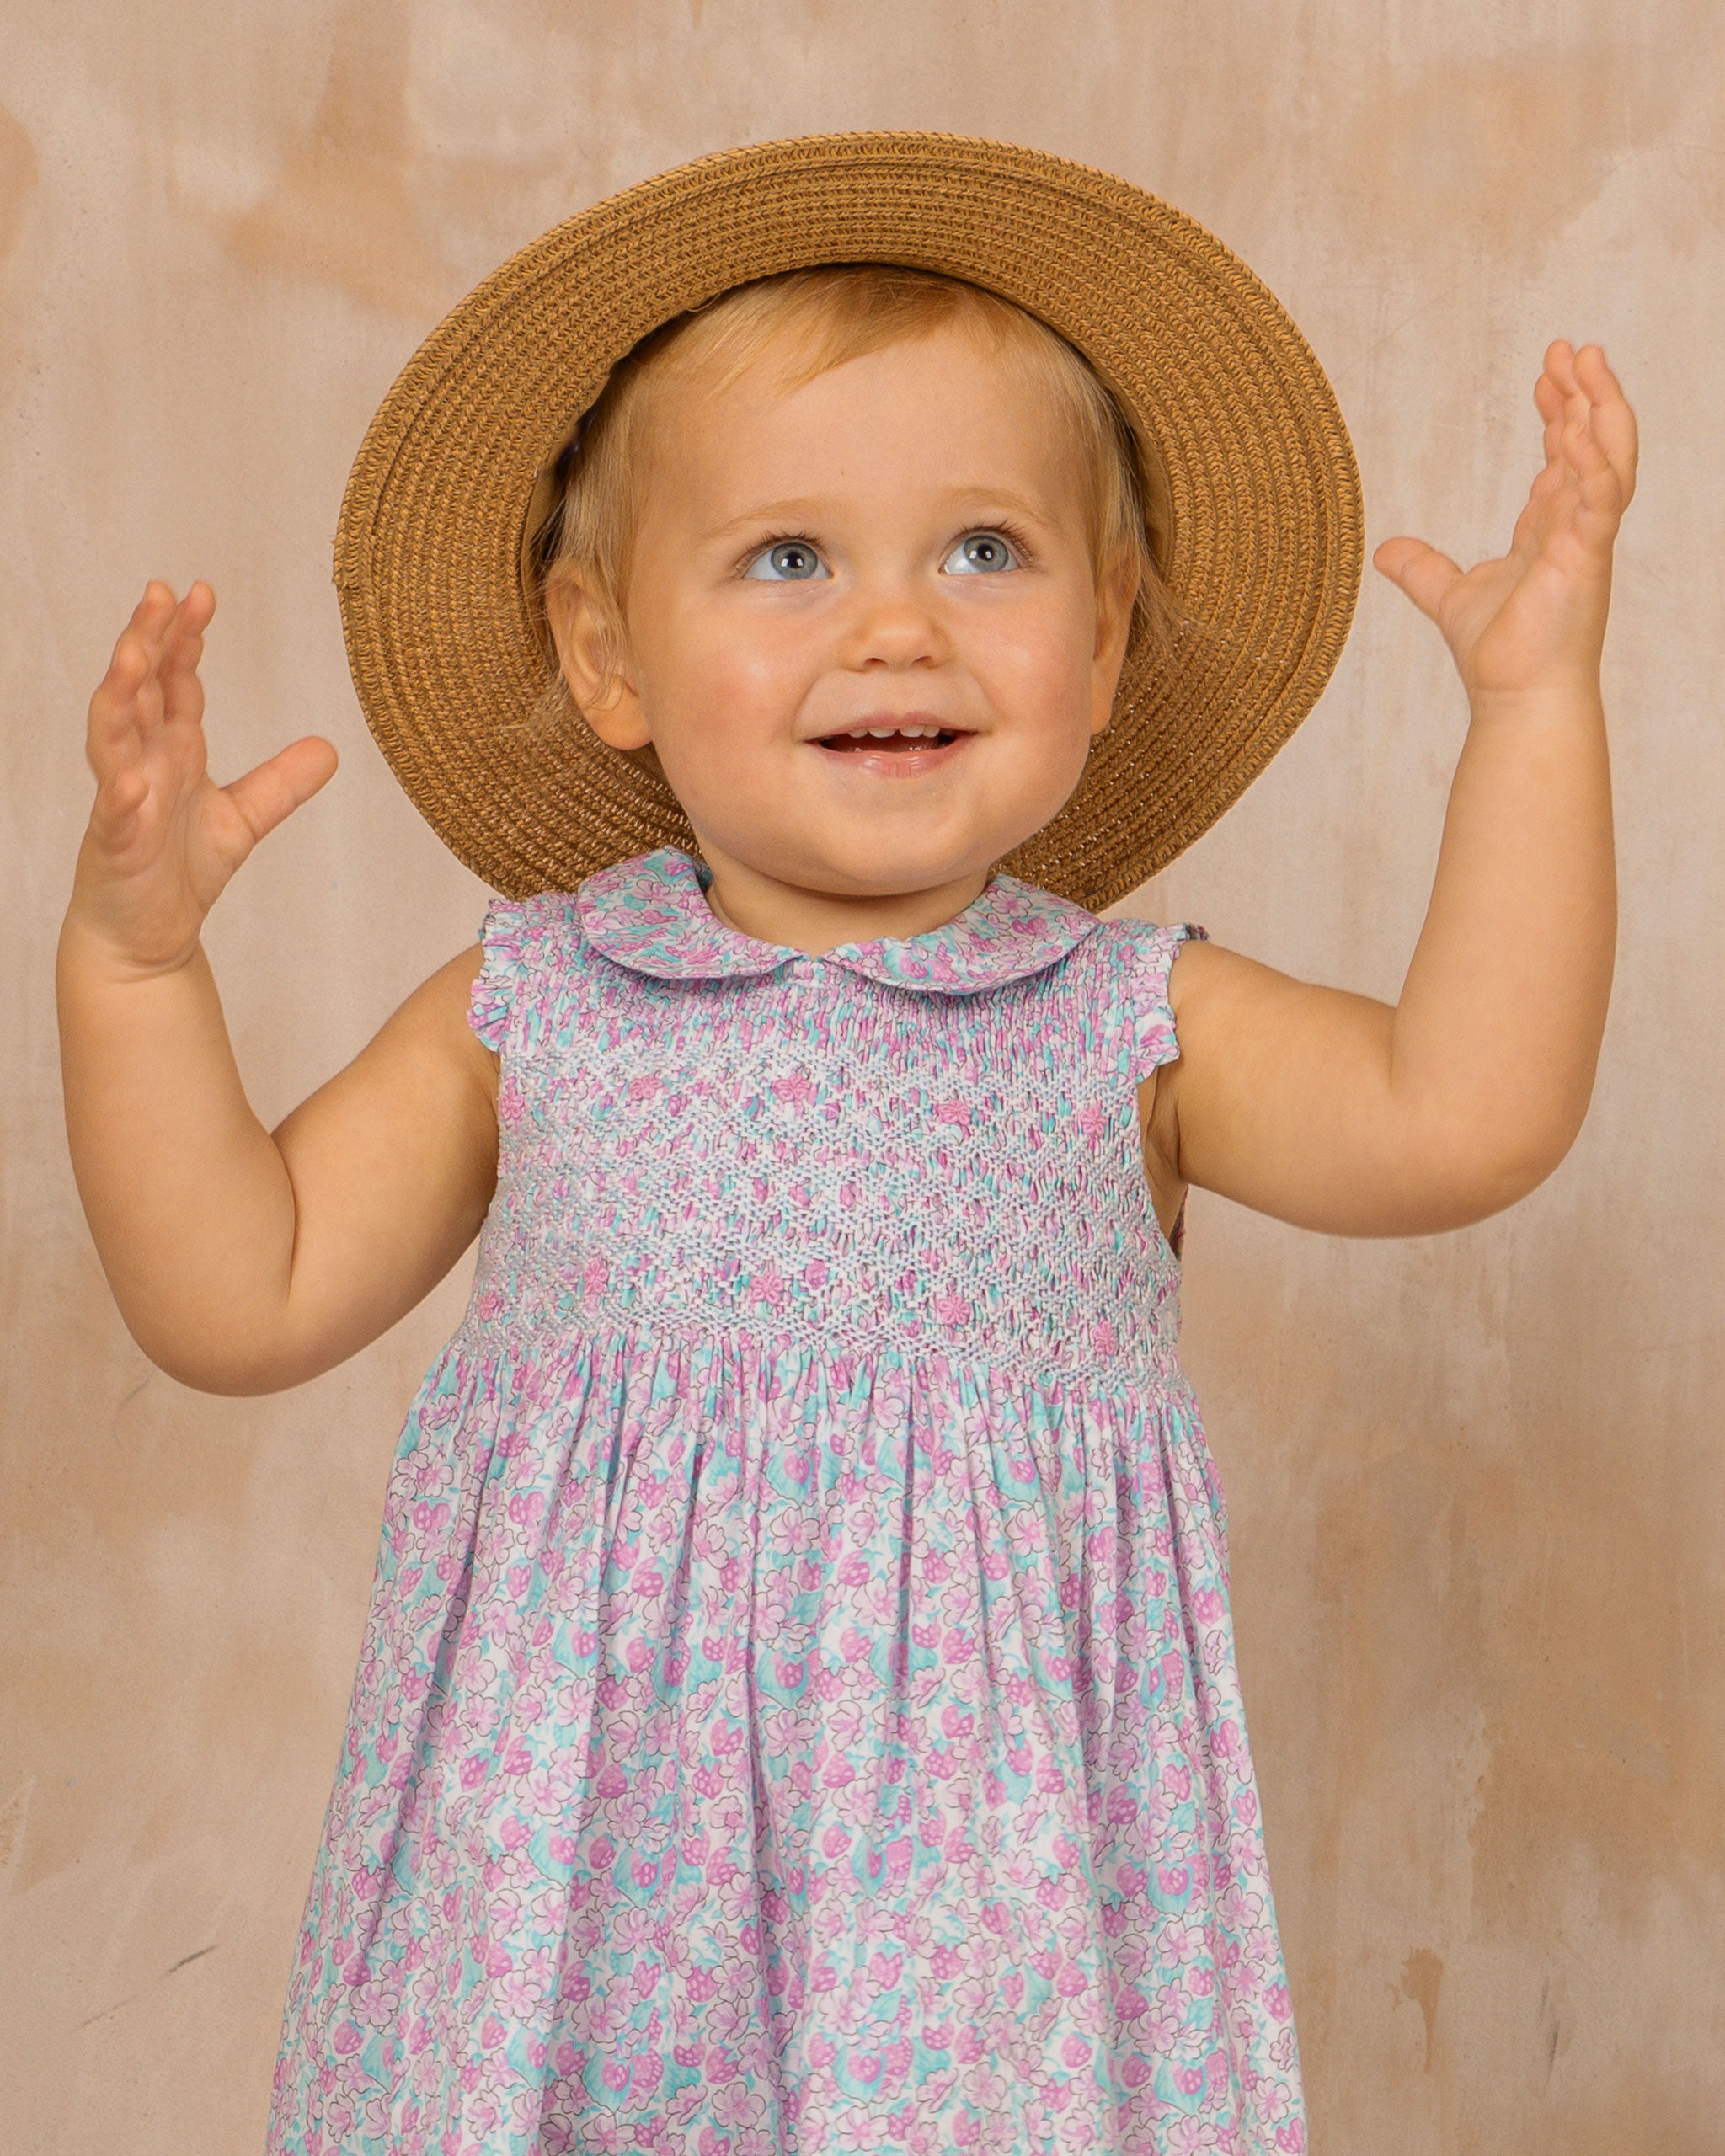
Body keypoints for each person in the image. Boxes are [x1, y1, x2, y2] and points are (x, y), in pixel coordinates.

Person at [55, 135, 1634, 2156]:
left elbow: (1470, 1112)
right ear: (605, 653)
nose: (898, 625)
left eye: (986, 549)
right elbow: (233, 1289)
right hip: (580, 1907)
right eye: (788, 558)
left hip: (985, 1926)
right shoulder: (527, 1010)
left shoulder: (1125, 1024)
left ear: (1114, 630)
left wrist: (1531, 710)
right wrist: (135, 970)